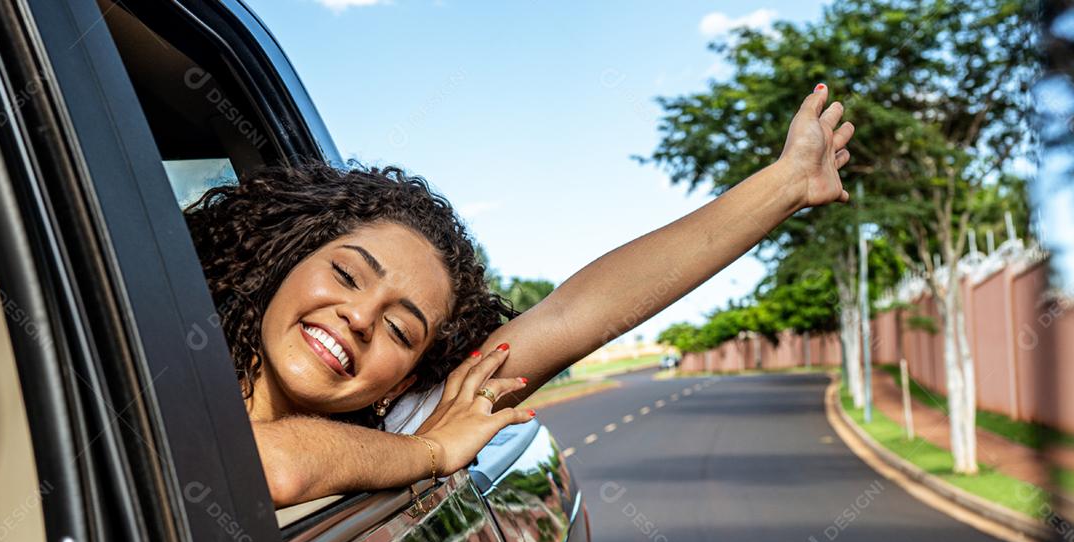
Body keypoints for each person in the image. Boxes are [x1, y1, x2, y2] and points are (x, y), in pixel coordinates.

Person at [185, 84, 854, 508]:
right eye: (349, 274)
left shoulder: (411, 418)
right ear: (283, 260)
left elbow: (577, 311)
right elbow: (267, 465)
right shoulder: (146, 355)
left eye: (401, 330)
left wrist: (788, 183)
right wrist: (427, 455)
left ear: (409, 379)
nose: (359, 318)